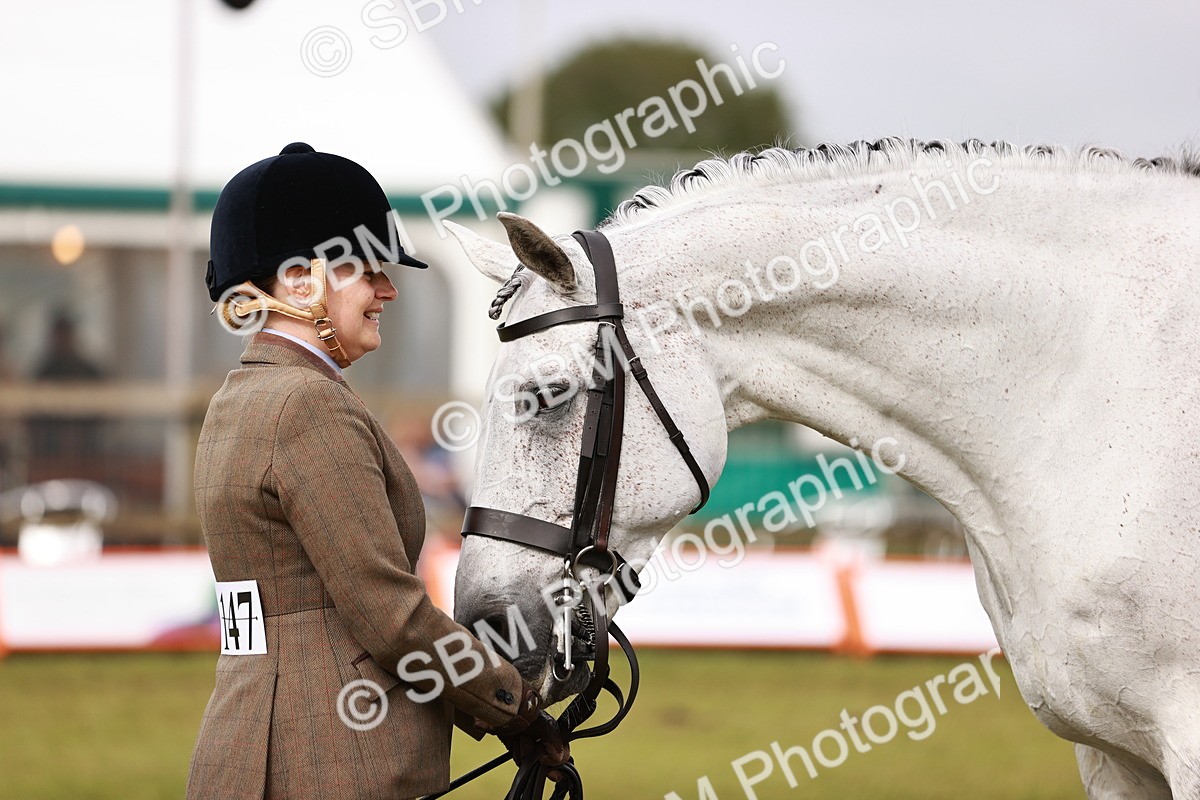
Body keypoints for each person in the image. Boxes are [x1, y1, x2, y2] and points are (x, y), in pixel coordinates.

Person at [187, 143, 566, 800]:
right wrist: (515, 705)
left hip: (244, 744)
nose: (387, 289)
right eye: (367, 272)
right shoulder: (308, 406)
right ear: (301, 280)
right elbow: (389, 617)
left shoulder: (237, 401)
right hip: (334, 763)